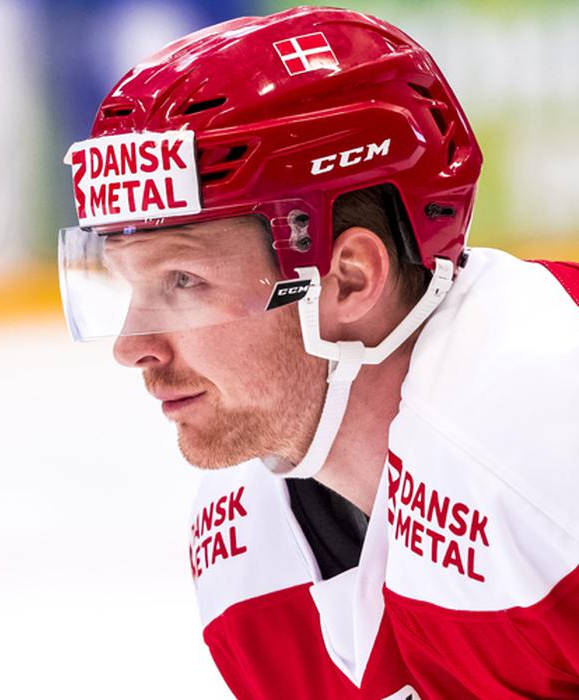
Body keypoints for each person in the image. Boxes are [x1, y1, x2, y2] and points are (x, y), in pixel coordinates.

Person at [57, 6, 579, 698]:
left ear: (350, 279)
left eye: (183, 280)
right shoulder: (242, 552)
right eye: (130, 283)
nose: (132, 347)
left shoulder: (545, 420)